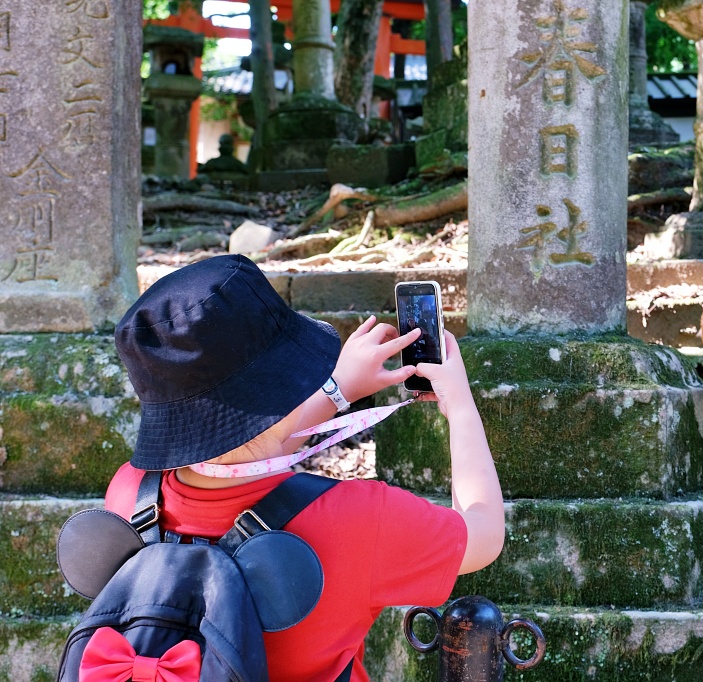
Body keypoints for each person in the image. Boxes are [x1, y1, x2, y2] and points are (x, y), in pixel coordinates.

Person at [103, 254, 505, 681]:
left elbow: (247, 446)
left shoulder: (130, 494)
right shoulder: (360, 519)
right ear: (283, 379)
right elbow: (483, 535)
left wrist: (339, 391)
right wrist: (460, 405)